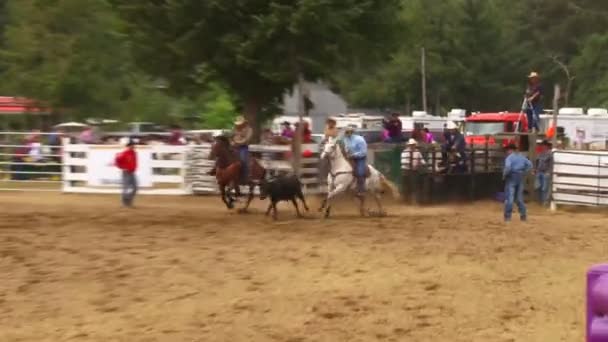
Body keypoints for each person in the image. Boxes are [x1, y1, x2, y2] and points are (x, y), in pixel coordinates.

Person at [503, 143, 532, 222]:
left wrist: (504, 175)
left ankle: (507, 217)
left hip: (512, 176)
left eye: (507, 150)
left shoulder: (509, 158)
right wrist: (524, 171)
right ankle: (523, 216)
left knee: (510, 198)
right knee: (519, 198)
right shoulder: (522, 157)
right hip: (520, 176)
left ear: (510, 150)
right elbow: (530, 165)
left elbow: (508, 167)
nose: (507, 151)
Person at [343, 126, 368, 197]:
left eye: (348, 132)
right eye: (346, 132)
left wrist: (353, 155)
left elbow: (363, 152)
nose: (347, 134)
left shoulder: (359, 139)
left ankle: (361, 190)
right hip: (350, 157)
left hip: (360, 158)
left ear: (352, 132)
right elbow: (346, 148)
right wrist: (347, 153)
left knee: (360, 172)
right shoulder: (345, 139)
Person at [114, 138, 138, 207]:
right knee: (126, 188)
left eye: (134, 145)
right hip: (126, 172)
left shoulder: (134, 153)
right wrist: (122, 167)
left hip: (132, 172)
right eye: (133, 145)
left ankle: (128, 201)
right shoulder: (125, 153)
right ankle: (125, 203)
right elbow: (117, 160)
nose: (134, 146)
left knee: (135, 188)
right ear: (129, 145)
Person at [232, 116, 253, 183]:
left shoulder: (249, 129)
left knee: (243, 160)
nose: (239, 125)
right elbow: (232, 136)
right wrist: (232, 142)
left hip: (243, 147)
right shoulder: (234, 128)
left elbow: (246, 139)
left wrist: (237, 142)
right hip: (234, 146)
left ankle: (245, 177)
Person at [534, 140, 553, 205]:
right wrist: (535, 170)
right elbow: (537, 162)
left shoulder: (550, 154)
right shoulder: (540, 153)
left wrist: (549, 172)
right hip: (539, 172)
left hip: (545, 172)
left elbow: (551, 164)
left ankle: (544, 202)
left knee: (544, 188)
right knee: (538, 187)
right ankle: (541, 201)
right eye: (542, 145)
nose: (543, 146)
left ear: (547, 146)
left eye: (544, 145)